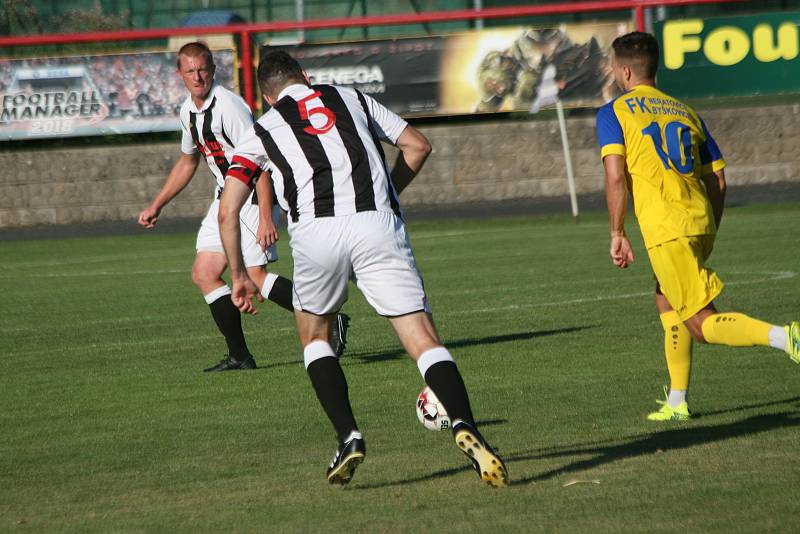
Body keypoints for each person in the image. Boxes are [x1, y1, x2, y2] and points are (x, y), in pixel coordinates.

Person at [218, 51, 508, 487]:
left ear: (266, 96)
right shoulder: (351, 97)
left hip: (317, 234)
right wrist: (390, 191)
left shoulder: (264, 128)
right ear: (307, 77)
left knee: (315, 337)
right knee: (422, 338)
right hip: (377, 224)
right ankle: (465, 422)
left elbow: (228, 210)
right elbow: (418, 145)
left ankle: (348, 436)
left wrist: (239, 275)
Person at [596, 31, 799, 421]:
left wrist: (617, 233)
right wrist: (709, 227)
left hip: (666, 228)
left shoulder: (614, 111)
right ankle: (677, 402)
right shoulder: (685, 110)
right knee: (665, 298)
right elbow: (719, 178)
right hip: (699, 219)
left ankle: (786, 336)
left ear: (623, 71)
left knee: (702, 325)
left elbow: (616, 175)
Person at [138, 42, 348, 372]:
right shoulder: (186, 112)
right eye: (190, 70)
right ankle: (240, 356)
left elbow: (260, 160)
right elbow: (188, 161)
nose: (198, 76)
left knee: (256, 275)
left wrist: (267, 216)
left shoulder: (229, 107)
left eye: (203, 69)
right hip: (225, 195)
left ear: (213, 70)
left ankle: (329, 318)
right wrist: (157, 204)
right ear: (179, 74)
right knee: (204, 273)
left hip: (250, 195)